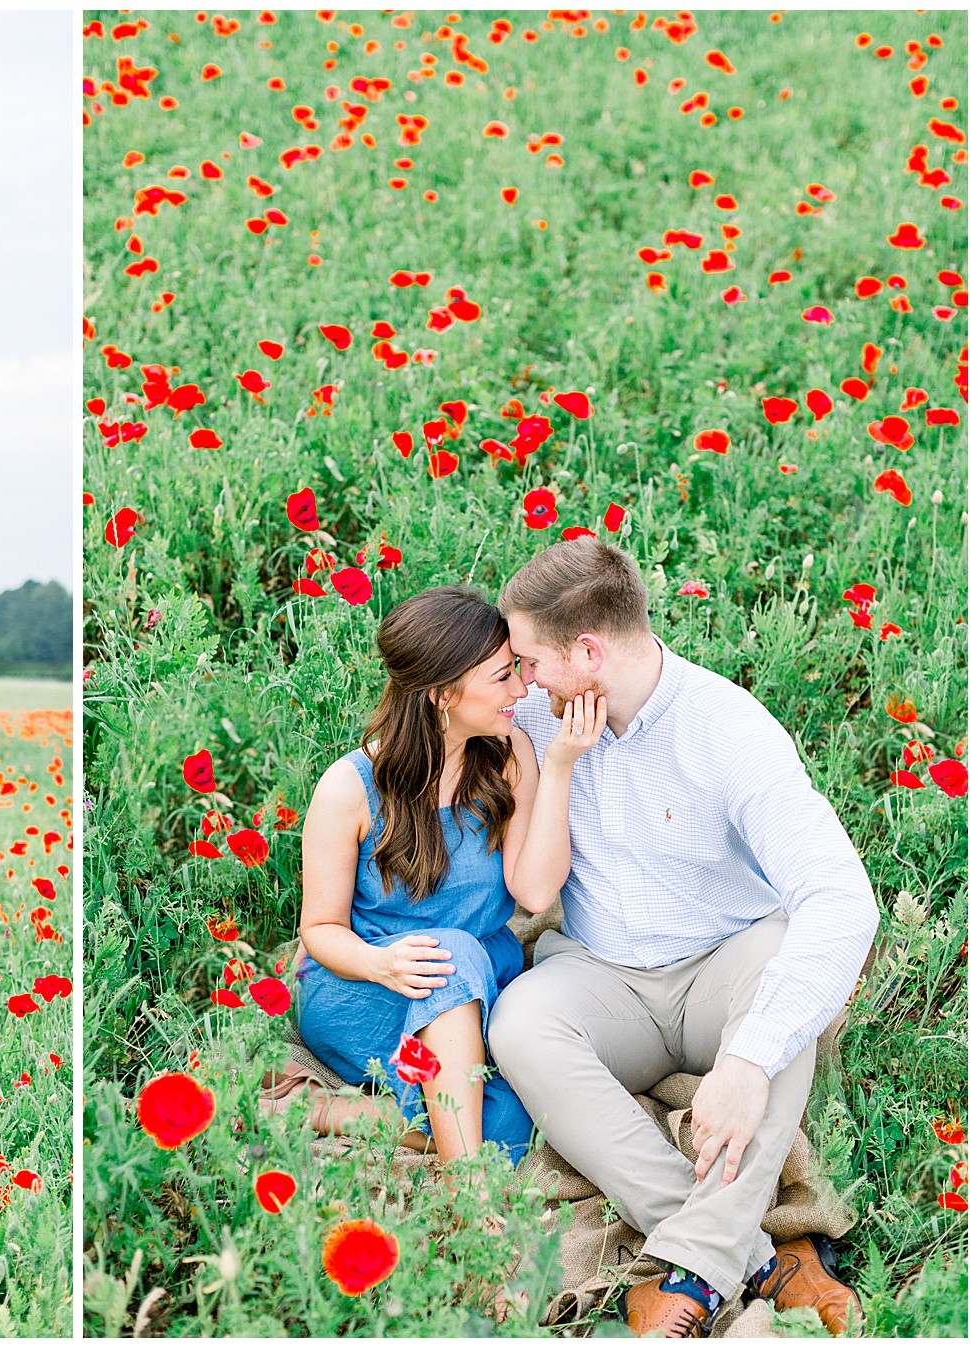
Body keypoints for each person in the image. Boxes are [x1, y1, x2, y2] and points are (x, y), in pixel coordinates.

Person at [486, 537, 878, 1337]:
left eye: (530, 661)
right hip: (603, 975)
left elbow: (842, 897)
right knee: (520, 1020)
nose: (522, 679)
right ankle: (751, 1255)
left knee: (784, 978)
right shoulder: (530, 716)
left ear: (588, 653)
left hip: (720, 972)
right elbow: (421, 740)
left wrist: (747, 1059)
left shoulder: (728, 729)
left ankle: (692, 1269)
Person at [293, 584, 607, 1170]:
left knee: (514, 1126)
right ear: (442, 693)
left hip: (477, 977)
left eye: (516, 671)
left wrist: (560, 766)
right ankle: (468, 1188)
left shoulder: (507, 755)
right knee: (450, 958)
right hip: (369, 985)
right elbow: (320, 929)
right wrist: (380, 963)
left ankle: (340, 1112)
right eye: (502, 677)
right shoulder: (348, 788)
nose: (520, 690)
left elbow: (536, 892)